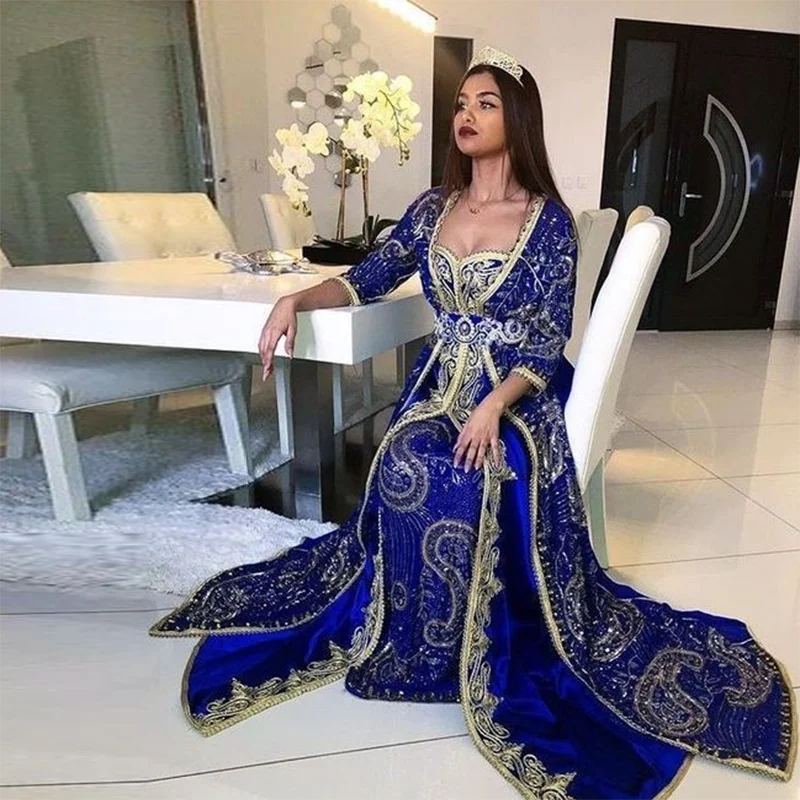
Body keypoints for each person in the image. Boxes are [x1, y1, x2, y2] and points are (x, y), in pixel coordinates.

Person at [151, 47, 795, 798]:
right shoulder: (433, 207)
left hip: (518, 393)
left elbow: (547, 339)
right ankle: (413, 635)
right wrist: (296, 298)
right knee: (406, 457)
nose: (467, 115)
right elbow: (367, 279)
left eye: (486, 104)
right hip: (438, 383)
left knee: (468, 466)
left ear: (517, 120)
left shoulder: (547, 222)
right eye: (462, 103)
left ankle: (484, 637)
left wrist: (493, 405)